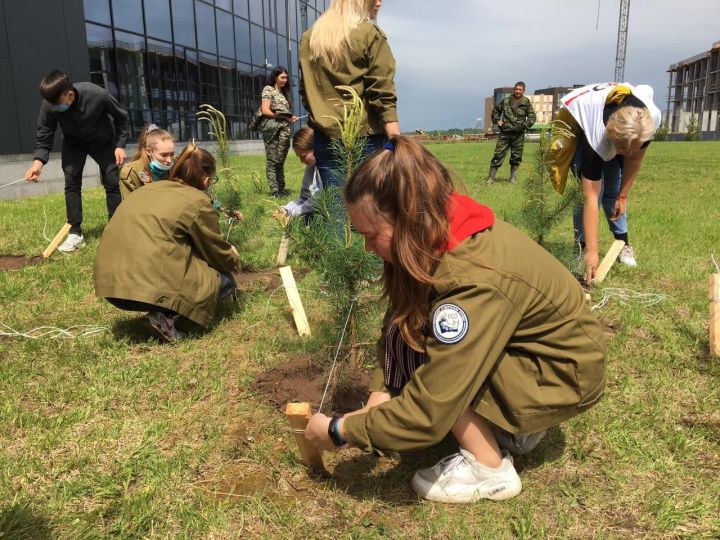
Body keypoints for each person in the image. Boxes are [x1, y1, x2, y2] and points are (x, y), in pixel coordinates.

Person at [304, 136, 606, 504]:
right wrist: (381, 392)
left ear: (407, 219)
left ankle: (490, 466)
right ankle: (511, 424)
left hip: (562, 375)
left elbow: (430, 409)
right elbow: (399, 317)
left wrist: (339, 431)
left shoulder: (472, 279)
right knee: (419, 337)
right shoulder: (437, 226)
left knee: (440, 364)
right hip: (537, 357)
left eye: (370, 235)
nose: (367, 247)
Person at [94, 144, 240, 342]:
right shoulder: (197, 201)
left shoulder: (147, 189)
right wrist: (232, 255)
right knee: (223, 281)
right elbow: (216, 253)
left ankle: (160, 309)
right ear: (206, 180)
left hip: (110, 287)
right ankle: (164, 318)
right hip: (141, 289)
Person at [549, 82, 661, 280]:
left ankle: (623, 243)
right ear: (611, 135)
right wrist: (593, 252)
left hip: (622, 129)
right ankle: (582, 247)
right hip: (578, 120)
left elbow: (634, 160)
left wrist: (623, 195)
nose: (623, 155)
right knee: (586, 196)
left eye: (629, 149)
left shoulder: (648, 122)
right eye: (619, 148)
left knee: (614, 188)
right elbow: (590, 197)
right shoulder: (596, 135)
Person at [25, 70, 129, 252]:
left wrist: (120, 145)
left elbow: (122, 117)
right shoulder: (50, 104)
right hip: (74, 144)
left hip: (104, 142)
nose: (54, 108)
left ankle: (116, 228)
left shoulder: (98, 95)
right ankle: (75, 233)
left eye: (57, 104)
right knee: (71, 183)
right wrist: (37, 163)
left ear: (70, 94)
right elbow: (44, 135)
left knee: (111, 182)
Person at [299, 0, 400, 188]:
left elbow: (305, 90)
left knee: (336, 208)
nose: (379, 3)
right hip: (365, 137)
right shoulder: (370, 35)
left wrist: (321, 119)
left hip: (325, 137)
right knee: (370, 208)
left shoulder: (309, 38)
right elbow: (381, 88)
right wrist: (394, 135)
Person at [485, 82, 536, 185]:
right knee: (498, 155)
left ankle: (513, 177)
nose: (518, 91)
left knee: (516, 157)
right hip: (505, 133)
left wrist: (524, 126)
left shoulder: (526, 102)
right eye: (516, 89)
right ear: (514, 89)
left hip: (518, 134)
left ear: (523, 91)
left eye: (520, 90)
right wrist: (497, 121)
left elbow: (532, 117)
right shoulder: (506, 101)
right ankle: (491, 178)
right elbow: (495, 111)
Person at [260, 66, 299, 198]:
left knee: (280, 160)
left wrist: (289, 118)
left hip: (285, 131)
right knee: (272, 160)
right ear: (275, 77)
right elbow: (265, 110)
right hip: (272, 130)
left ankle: (281, 188)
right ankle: (275, 191)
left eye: (286, 77)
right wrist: (282, 117)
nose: (285, 80)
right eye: (282, 77)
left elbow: (284, 113)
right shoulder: (268, 89)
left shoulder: (284, 94)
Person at [119, 124, 175, 199]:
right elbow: (131, 206)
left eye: (172, 154)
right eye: (164, 155)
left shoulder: (177, 166)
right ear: (149, 151)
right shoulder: (131, 173)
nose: (169, 160)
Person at [277, 127, 321, 218]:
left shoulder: (329, 171)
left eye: (303, 156)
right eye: (299, 157)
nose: (301, 161)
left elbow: (319, 199)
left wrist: (294, 213)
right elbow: (304, 198)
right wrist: (287, 209)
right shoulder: (310, 169)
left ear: (315, 149)